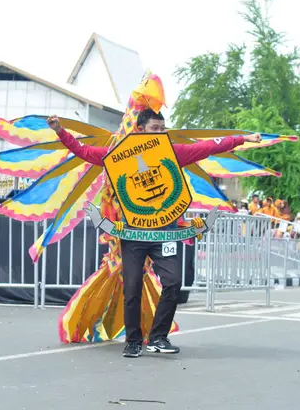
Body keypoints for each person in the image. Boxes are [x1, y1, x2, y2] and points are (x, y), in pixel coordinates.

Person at [47, 109, 262, 358]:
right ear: (140, 130)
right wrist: (60, 131)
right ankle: (134, 341)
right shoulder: (120, 155)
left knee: (173, 282)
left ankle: (158, 337)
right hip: (133, 235)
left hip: (165, 234)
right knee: (133, 287)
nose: (160, 133)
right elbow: (85, 152)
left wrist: (242, 139)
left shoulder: (172, 153)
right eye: (154, 128)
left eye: (162, 128)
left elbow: (208, 146)